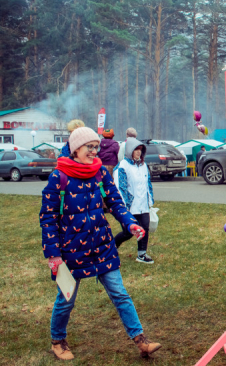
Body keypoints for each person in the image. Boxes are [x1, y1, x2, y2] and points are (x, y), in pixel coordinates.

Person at [40, 127, 161, 360]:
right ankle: (58, 341)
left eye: (97, 147)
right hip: (71, 251)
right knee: (66, 300)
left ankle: (141, 340)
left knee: (120, 294)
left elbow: (115, 202)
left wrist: (130, 224)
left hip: (103, 246)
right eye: (90, 147)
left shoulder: (100, 173)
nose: (95, 152)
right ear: (76, 149)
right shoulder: (59, 176)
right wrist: (53, 254)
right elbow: (47, 217)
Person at [113, 138, 155, 264]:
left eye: (140, 150)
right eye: (136, 149)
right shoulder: (122, 167)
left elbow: (148, 183)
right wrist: (125, 206)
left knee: (145, 228)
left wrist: (150, 199)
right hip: (129, 207)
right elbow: (121, 187)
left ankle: (142, 254)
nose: (138, 152)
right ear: (129, 150)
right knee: (128, 232)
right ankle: (112, 247)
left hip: (143, 205)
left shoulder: (143, 165)